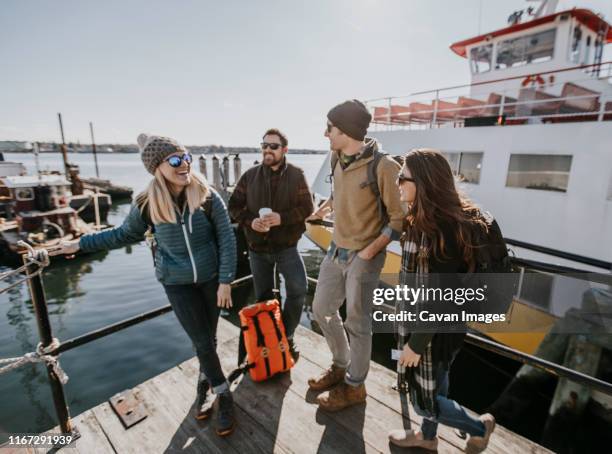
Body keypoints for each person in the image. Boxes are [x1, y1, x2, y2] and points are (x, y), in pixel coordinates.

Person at [51, 134, 238, 437]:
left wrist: (226, 280)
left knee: (209, 339)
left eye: (186, 157)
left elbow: (227, 238)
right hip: (177, 284)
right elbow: (121, 235)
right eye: (175, 160)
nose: (184, 164)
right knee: (202, 341)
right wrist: (80, 243)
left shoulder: (206, 194)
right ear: (157, 168)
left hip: (211, 280)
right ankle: (223, 392)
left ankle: (204, 382)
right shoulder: (147, 203)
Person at [388, 148, 496, 453]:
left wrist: (415, 344)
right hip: (433, 327)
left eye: (402, 177)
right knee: (439, 383)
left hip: (434, 332)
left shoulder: (444, 229)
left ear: (423, 182)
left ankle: (480, 427)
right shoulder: (420, 219)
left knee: (424, 403)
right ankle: (428, 437)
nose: (398, 182)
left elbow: (442, 296)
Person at [306, 100, 403, 411]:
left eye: (330, 128)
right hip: (335, 251)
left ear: (346, 131)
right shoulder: (337, 157)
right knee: (321, 309)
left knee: (358, 323)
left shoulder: (385, 166)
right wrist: (321, 210)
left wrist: (370, 250)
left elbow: (398, 220)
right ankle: (339, 364)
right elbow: (339, 193)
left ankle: (354, 386)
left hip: (365, 256)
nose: (325, 133)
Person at [228, 128, 313, 361]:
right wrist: (250, 221)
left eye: (273, 146)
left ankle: (287, 335)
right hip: (257, 250)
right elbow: (234, 206)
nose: (267, 150)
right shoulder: (250, 175)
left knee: (298, 290)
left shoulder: (297, 175)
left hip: (286, 247)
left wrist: (282, 218)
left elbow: (308, 209)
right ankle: (269, 339)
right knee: (264, 296)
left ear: (284, 150)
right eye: (264, 145)